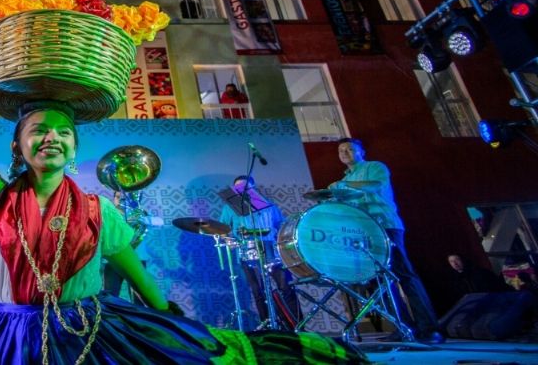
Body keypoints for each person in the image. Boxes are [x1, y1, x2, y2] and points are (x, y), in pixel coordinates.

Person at [0, 41, 366, 364]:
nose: (52, 138)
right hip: (5, 336)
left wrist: (169, 320)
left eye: (64, 133)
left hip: (83, 333)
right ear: (18, 144)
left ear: (74, 148)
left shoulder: (97, 210)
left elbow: (135, 273)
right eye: (39, 130)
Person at [328, 137, 444, 344]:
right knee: (381, 281)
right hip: (364, 231)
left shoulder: (374, 167)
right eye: (341, 150)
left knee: (404, 275)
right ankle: (404, 327)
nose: (345, 152)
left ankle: (430, 328)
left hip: (386, 226)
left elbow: (372, 186)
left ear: (361, 152)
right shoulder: (345, 178)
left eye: (350, 149)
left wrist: (342, 186)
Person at [216, 176, 300, 328]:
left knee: (286, 287)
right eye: (237, 189)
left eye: (245, 188)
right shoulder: (229, 208)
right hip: (246, 250)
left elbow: (280, 226)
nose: (241, 192)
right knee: (257, 291)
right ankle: (267, 325)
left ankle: (297, 325)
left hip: (271, 249)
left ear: (254, 189)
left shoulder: (269, 205)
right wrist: (228, 240)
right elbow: (221, 229)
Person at [445, 253, 510, 307]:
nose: (455, 263)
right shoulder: (454, 280)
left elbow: (498, 286)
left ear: (462, 259)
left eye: (457, 259)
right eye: (451, 261)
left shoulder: (480, 272)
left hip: (492, 304)